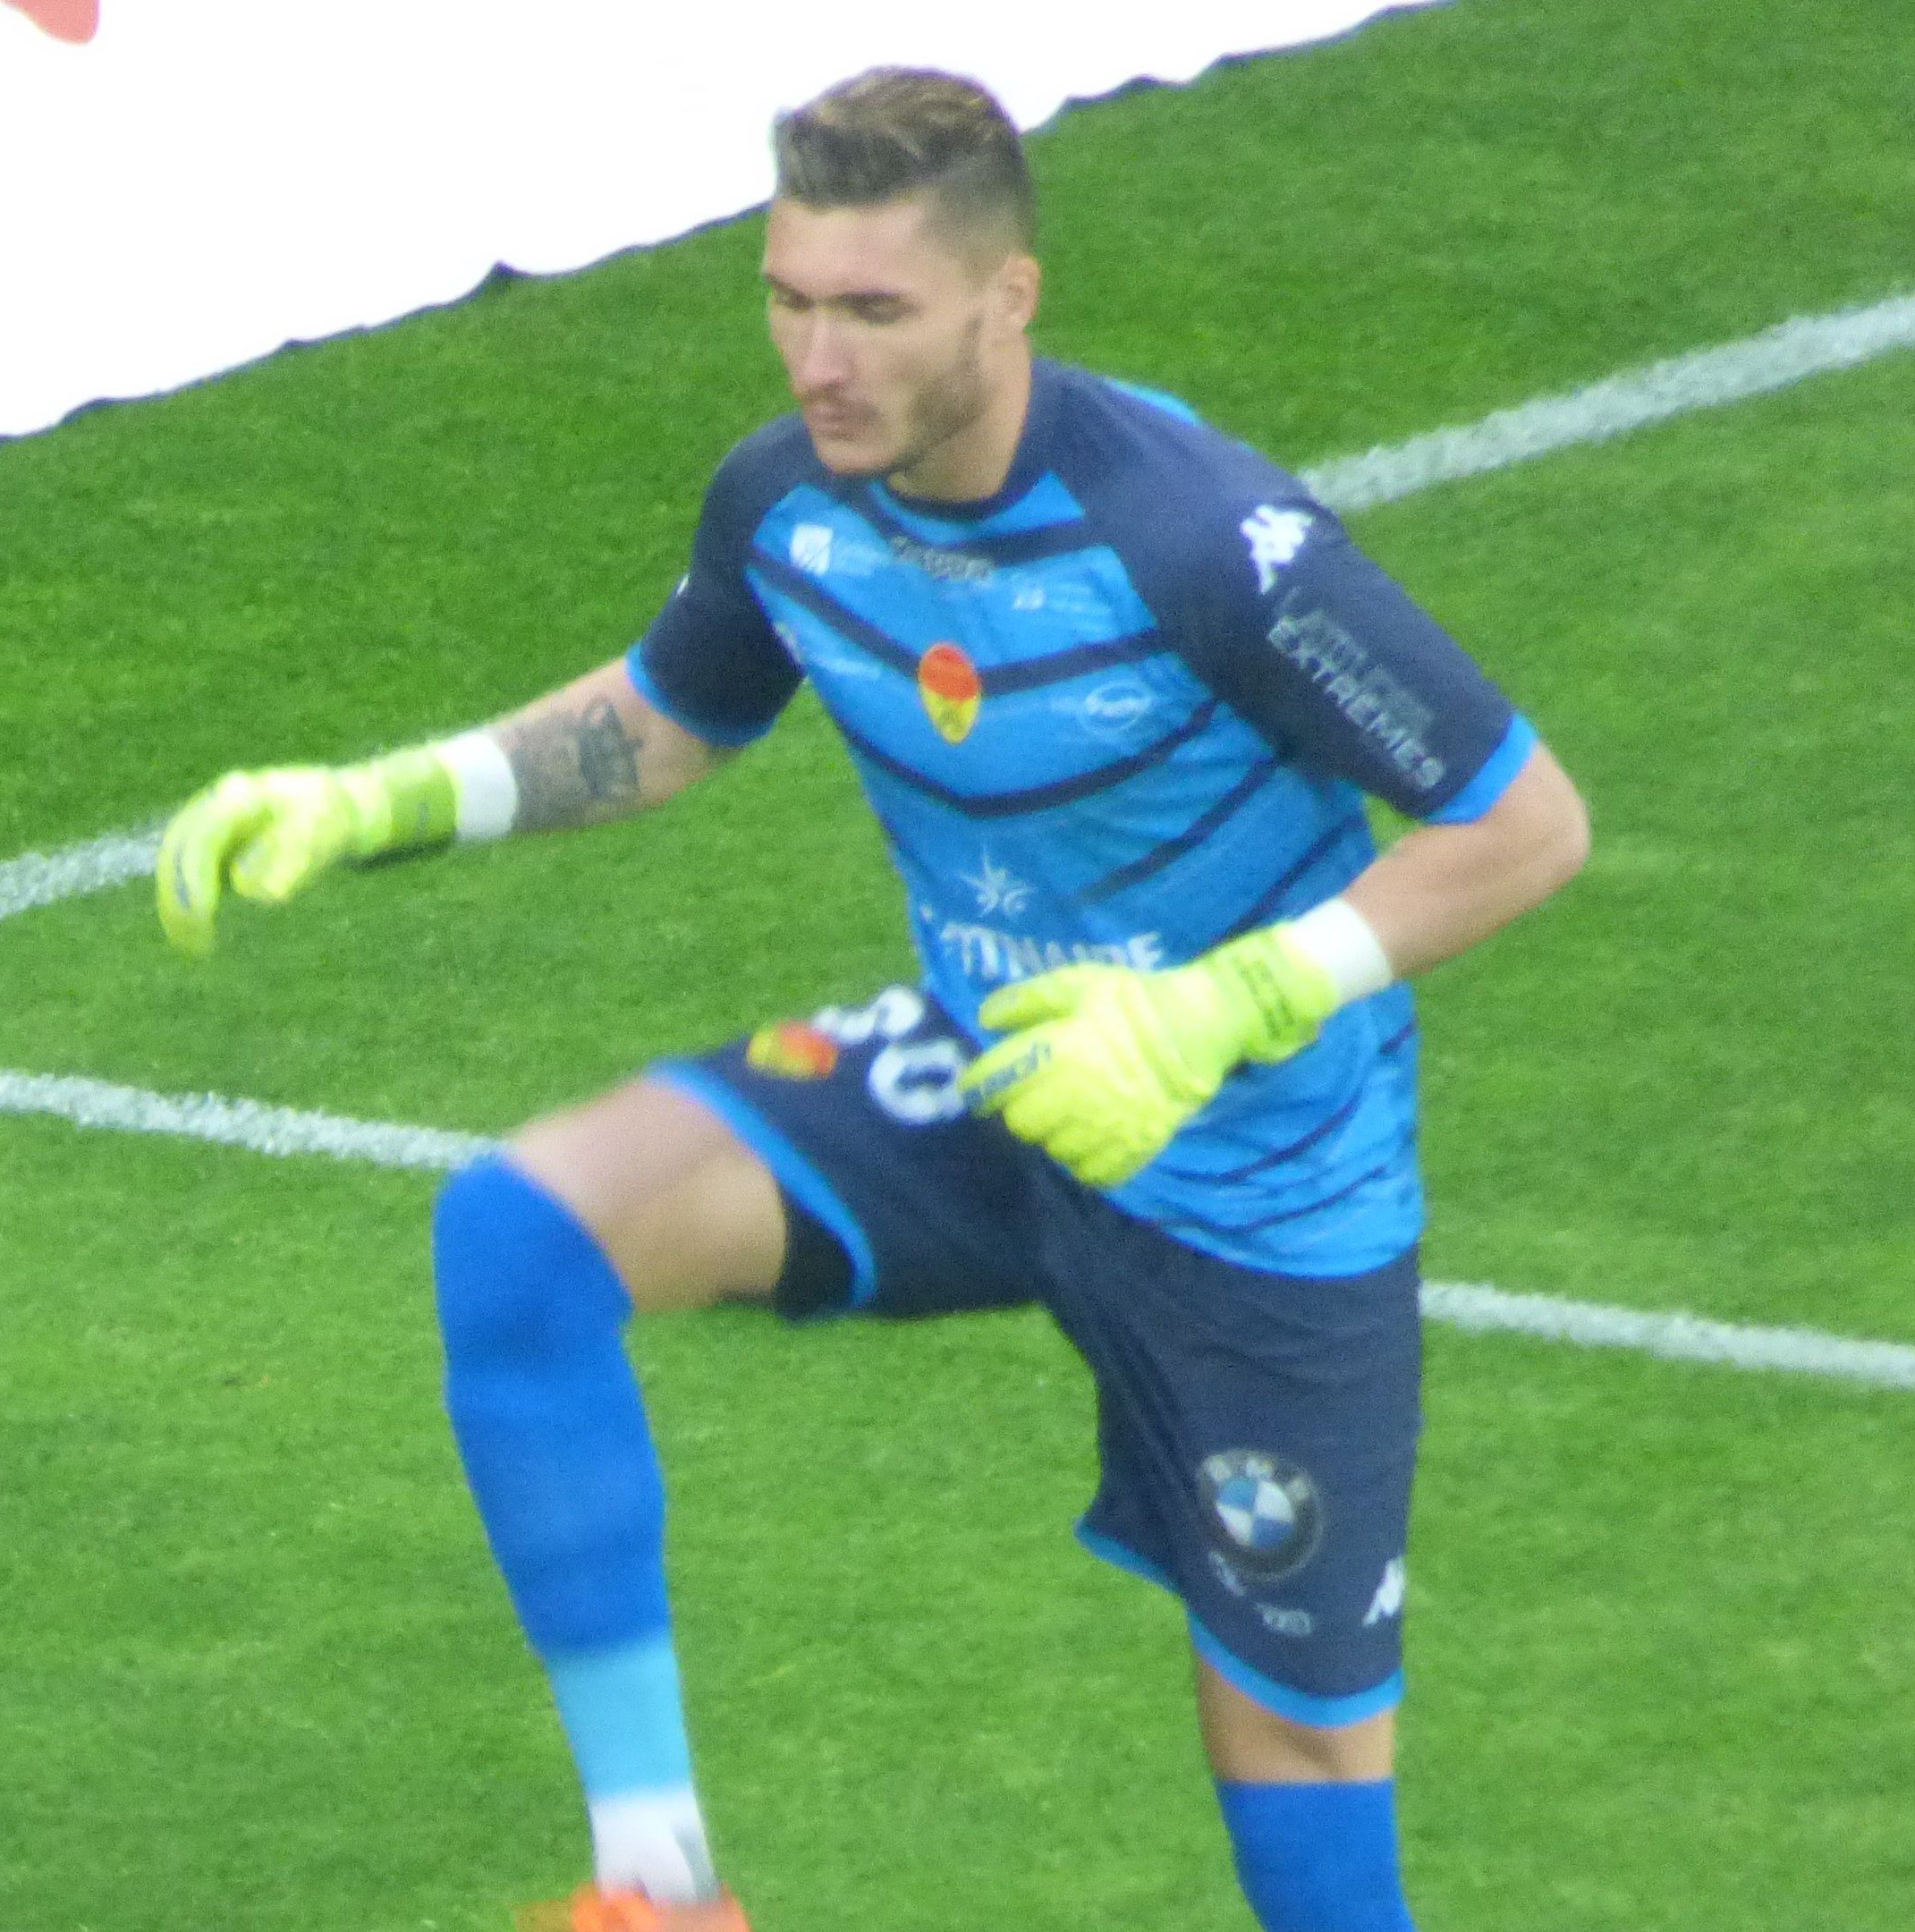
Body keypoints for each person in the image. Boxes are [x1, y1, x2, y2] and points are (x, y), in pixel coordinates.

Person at [157, 66, 1588, 1932]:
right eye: (790, 298)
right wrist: (383, 799)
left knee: (1300, 1783)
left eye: (874, 311)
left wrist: (1212, 1012)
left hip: (1256, 1192)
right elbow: (663, 725)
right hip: (994, 1088)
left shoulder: (1197, 544)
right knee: (523, 1235)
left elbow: (1521, 822)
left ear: (1010, 302)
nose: (817, 359)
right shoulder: (792, 505)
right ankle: (658, 1894)